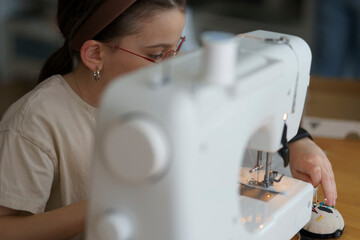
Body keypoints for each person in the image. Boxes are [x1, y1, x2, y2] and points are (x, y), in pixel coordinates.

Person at [0, 0, 336, 239]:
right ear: (95, 54)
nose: (173, 65)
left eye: (178, 50)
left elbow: (247, 105)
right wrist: (110, 205)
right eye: (158, 55)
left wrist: (297, 139)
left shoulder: (169, 90)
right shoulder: (35, 124)